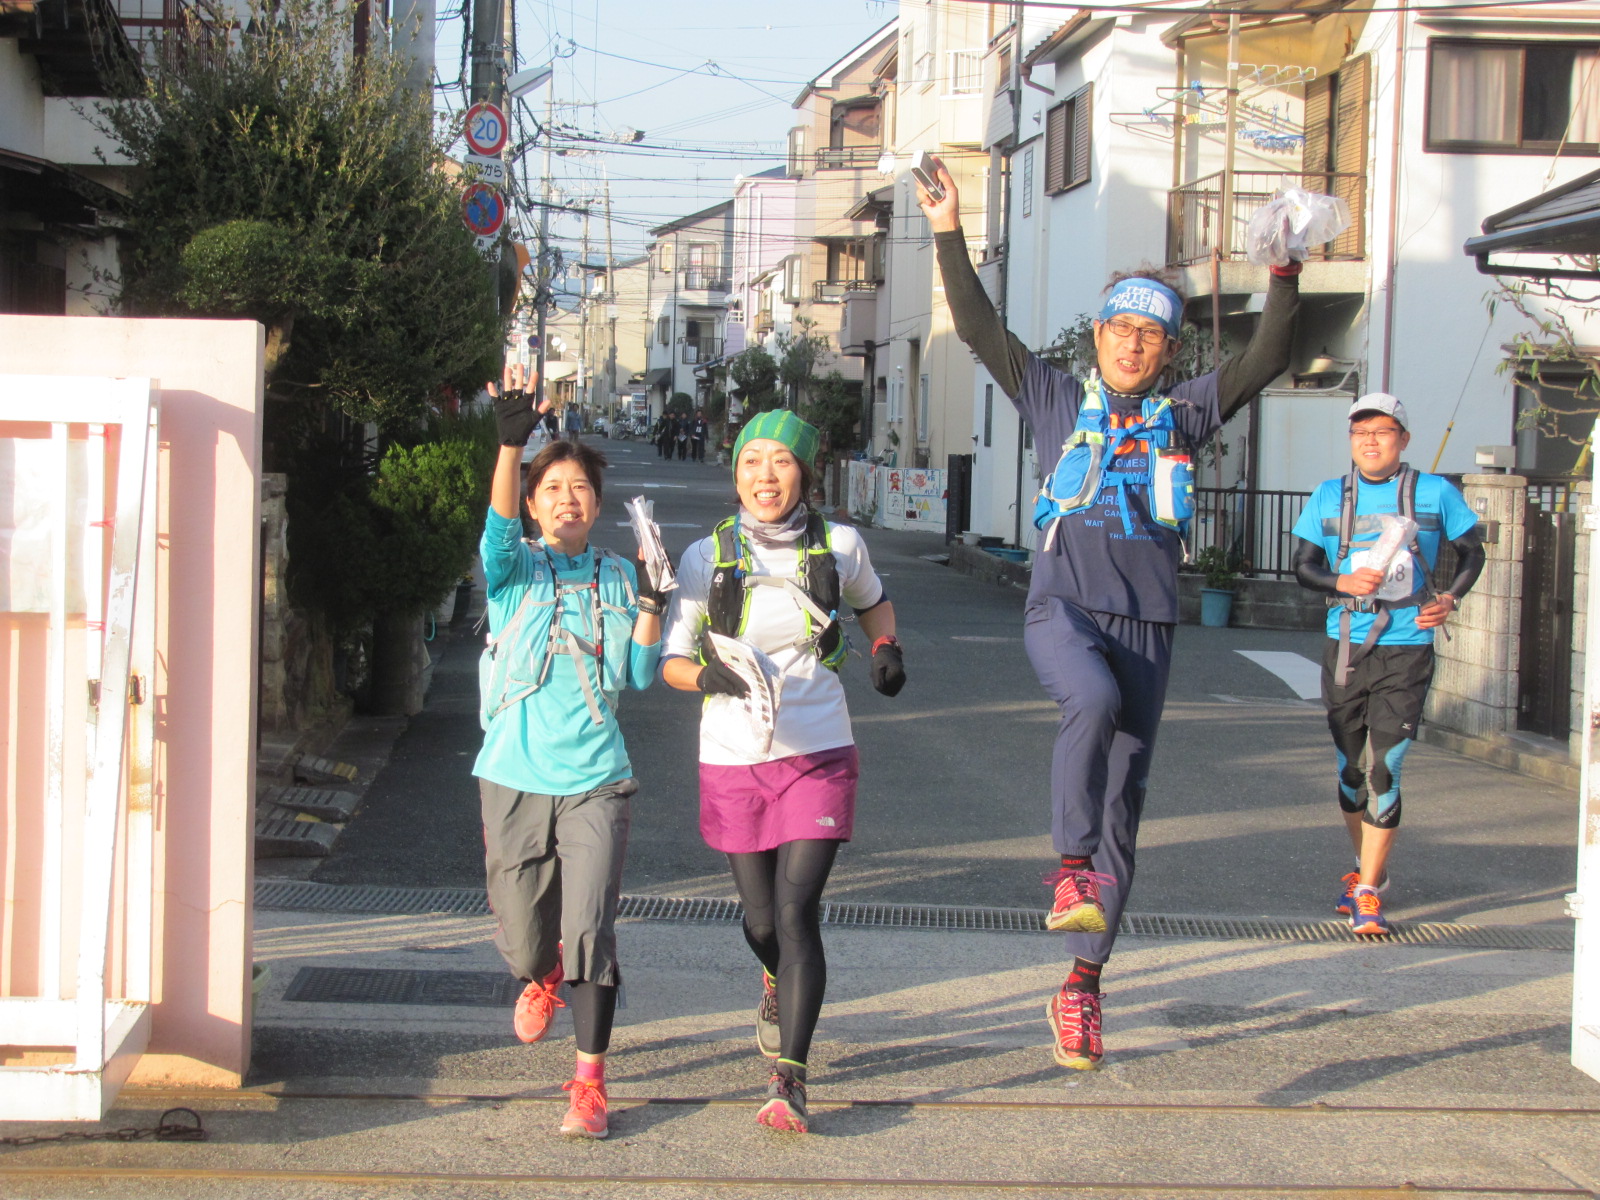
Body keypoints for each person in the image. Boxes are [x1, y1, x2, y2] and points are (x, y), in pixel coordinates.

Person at [918, 157, 1300, 1071]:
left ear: (1170, 351)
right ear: (1098, 335)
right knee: (1087, 701)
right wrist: (948, 231)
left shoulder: (1187, 415)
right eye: (1121, 327)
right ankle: (1067, 867)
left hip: (1149, 626)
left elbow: (1269, 357)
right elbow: (977, 328)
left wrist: (1284, 269)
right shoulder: (1054, 395)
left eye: (1150, 333)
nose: (1133, 344)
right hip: (1063, 607)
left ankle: (1083, 988)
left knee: (1124, 808)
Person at [660, 410, 906, 1134]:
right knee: (762, 920)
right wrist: (705, 677)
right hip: (734, 756)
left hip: (818, 752)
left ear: (805, 473)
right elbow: (670, 660)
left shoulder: (841, 546)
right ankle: (772, 976)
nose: (765, 476)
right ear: (735, 473)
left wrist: (885, 648)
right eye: (751, 461)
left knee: (797, 914)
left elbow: (874, 604)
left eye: (781, 462)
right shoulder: (707, 557)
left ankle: (790, 1078)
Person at [475, 365, 666, 1139]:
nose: (566, 499)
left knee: (590, 929)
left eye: (579, 488)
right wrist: (510, 445)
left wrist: (651, 603)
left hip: (597, 780)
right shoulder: (515, 571)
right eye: (550, 488)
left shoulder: (616, 576)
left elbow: (639, 675)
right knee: (526, 937)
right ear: (532, 504)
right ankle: (540, 973)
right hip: (512, 773)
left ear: (597, 502)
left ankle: (589, 1084)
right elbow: (494, 538)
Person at [1291, 394, 1484, 935]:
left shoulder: (1435, 492)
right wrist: (1342, 581)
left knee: (1384, 769)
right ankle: (1364, 867)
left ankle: (1369, 890)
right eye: (1360, 432)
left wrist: (1450, 598)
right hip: (1346, 647)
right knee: (1351, 771)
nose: (1370, 441)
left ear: (1403, 438)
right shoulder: (1329, 495)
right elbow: (1303, 566)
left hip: (1407, 647)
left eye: (1382, 431)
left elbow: (1473, 551)